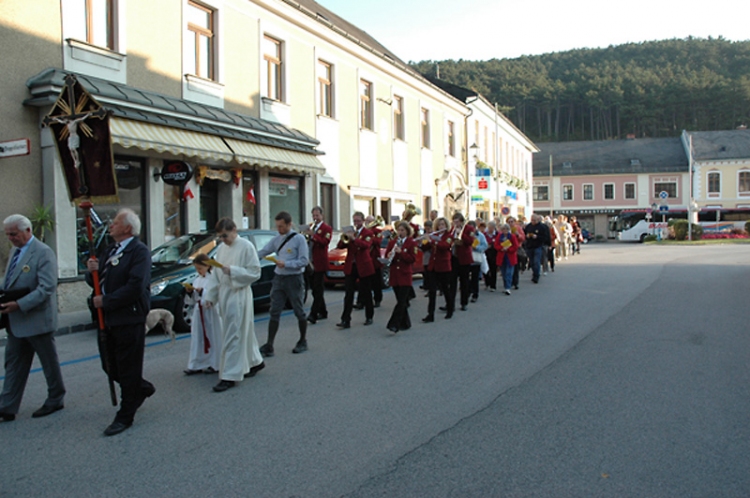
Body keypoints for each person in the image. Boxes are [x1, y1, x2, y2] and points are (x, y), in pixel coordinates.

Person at [87, 209, 154, 436]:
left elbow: (136, 286)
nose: (111, 226)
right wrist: (91, 272)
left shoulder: (139, 252)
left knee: (128, 367)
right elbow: (98, 280)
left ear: (127, 228)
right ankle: (140, 388)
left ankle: (126, 414)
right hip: (107, 318)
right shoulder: (110, 250)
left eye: (115, 223)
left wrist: (107, 301)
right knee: (110, 364)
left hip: (128, 316)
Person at [0, 214, 65, 423]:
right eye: (7, 234)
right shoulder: (15, 251)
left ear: (28, 230)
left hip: (36, 318)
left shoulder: (43, 253)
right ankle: (7, 406)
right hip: (16, 320)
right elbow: (10, 281)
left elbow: (47, 287)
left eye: (14, 234)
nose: (10, 238)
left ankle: (56, 397)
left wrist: (19, 304)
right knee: (13, 363)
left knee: (48, 363)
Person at [203, 217, 265, 393]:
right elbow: (216, 276)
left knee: (233, 333)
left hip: (238, 294)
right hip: (225, 293)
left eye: (225, 236)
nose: (223, 240)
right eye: (220, 237)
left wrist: (234, 271)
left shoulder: (246, 246)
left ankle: (230, 375)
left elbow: (255, 272)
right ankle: (255, 361)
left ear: (234, 231)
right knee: (243, 330)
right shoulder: (222, 249)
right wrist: (211, 296)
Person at [257, 211, 310, 357]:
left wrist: (286, 263)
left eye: (281, 226)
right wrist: (249, 256)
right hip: (279, 278)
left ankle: (302, 340)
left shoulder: (299, 239)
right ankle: (269, 344)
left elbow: (304, 261)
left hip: (294, 278)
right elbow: (264, 251)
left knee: (298, 309)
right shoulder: (277, 239)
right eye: (277, 226)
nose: (279, 229)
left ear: (289, 224)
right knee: (274, 310)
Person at [183, 254, 222, 375]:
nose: (198, 271)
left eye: (200, 268)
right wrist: (191, 292)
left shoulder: (214, 278)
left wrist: (203, 292)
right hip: (199, 311)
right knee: (198, 336)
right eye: (196, 269)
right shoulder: (198, 279)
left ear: (208, 266)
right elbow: (193, 299)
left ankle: (215, 363)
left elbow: (216, 293)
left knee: (213, 336)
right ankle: (196, 364)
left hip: (211, 311)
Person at [337, 212, 375, 328]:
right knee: (348, 294)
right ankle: (345, 320)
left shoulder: (368, 233)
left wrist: (354, 238)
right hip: (351, 266)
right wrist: (345, 237)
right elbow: (340, 246)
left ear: (363, 221)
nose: (356, 223)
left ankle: (369, 316)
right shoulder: (351, 233)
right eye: (355, 221)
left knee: (366, 293)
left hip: (364, 266)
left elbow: (365, 245)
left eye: (358, 221)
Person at [385, 222, 417, 333]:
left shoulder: (411, 243)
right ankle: (406, 323)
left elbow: (412, 259)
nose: (400, 232)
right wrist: (389, 255)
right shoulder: (392, 243)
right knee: (400, 300)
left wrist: (401, 252)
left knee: (402, 301)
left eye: (403, 230)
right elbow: (387, 257)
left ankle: (394, 324)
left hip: (405, 275)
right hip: (395, 275)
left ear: (407, 231)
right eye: (399, 230)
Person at [305, 206, 332, 324]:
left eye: (317, 216)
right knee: (314, 290)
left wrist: (313, 235)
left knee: (318, 288)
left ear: (322, 216)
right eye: (314, 216)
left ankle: (313, 314)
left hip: (320, 262)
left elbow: (325, 242)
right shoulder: (312, 227)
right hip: (310, 261)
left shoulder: (327, 228)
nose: (315, 218)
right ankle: (323, 311)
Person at [423, 217, 453, 321]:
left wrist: (431, 241)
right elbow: (425, 248)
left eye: (443, 225)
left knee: (445, 289)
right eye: (439, 225)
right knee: (432, 291)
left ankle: (450, 309)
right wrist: (423, 241)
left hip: (444, 267)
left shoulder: (449, 236)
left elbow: (444, 246)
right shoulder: (434, 235)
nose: (441, 226)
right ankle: (430, 315)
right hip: (433, 266)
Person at [448, 213, 474, 312]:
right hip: (453, 258)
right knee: (452, 282)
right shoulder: (452, 229)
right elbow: (449, 239)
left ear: (462, 221)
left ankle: (464, 303)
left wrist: (461, 235)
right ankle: (450, 304)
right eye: (454, 221)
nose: (456, 223)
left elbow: (470, 242)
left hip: (464, 258)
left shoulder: (469, 229)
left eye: (457, 221)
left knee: (464, 282)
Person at [524, 214, 551, 284]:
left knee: (536, 261)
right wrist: (527, 236)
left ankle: (536, 276)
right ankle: (534, 273)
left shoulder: (542, 227)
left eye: (534, 220)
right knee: (532, 262)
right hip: (530, 246)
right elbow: (524, 234)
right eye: (532, 220)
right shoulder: (528, 226)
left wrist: (537, 237)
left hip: (538, 246)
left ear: (537, 220)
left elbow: (545, 237)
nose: (533, 222)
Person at [495, 223, 519, 295]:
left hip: (510, 257)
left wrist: (508, 249)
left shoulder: (512, 236)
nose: (505, 230)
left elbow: (515, 246)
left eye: (506, 229)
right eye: (503, 229)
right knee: (504, 273)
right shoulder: (499, 236)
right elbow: (496, 245)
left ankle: (508, 288)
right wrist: (501, 248)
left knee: (509, 273)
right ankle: (506, 286)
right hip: (502, 257)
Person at [468, 221, 488, 303]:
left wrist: (477, 248)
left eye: (473, 228)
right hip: (467, 258)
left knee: (475, 277)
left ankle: (475, 294)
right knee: (466, 277)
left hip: (476, 257)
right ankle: (468, 291)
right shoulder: (466, 234)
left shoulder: (480, 235)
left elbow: (485, 245)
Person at [483, 221, 499, 292]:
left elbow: (499, 242)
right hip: (485, 253)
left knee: (493, 270)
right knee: (485, 269)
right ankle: (487, 282)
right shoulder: (484, 234)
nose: (490, 229)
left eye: (492, 228)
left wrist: (492, 245)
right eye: (489, 227)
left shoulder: (497, 234)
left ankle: (493, 285)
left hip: (494, 253)